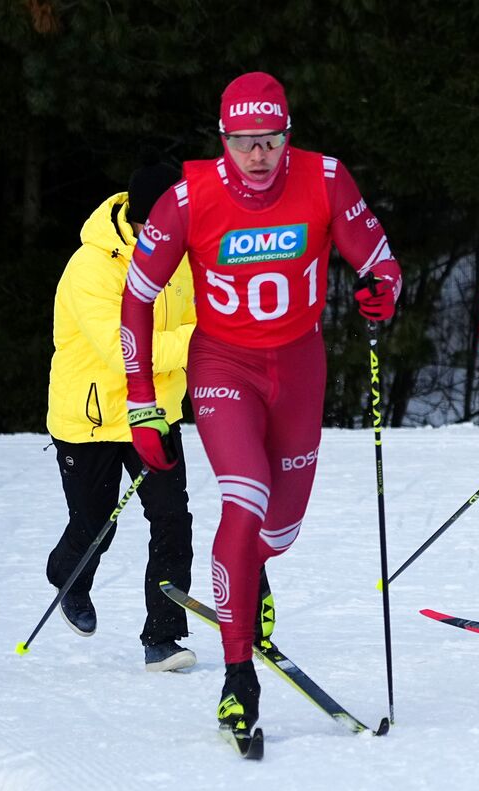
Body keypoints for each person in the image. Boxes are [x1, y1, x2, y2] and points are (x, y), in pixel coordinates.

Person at [120, 73, 402, 739]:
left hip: (299, 369)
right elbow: (137, 299)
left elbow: (381, 262)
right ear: (225, 140)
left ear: (286, 137)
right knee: (243, 499)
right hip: (224, 366)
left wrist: (380, 292)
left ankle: (251, 575)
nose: (258, 157)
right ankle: (237, 678)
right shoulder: (187, 199)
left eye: (269, 141)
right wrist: (141, 403)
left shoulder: (327, 179)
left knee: (279, 530)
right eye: (244, 142)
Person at [46, 152, 197, 672]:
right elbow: (122, 349)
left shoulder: (183, 259)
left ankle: (164, 637)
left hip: (154, 412)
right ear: (138, 218)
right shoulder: (91, 266)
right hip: (90, 419)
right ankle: (69, 576)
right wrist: (204, 342)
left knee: (172, 522)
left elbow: (207, 313)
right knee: (95, 527)